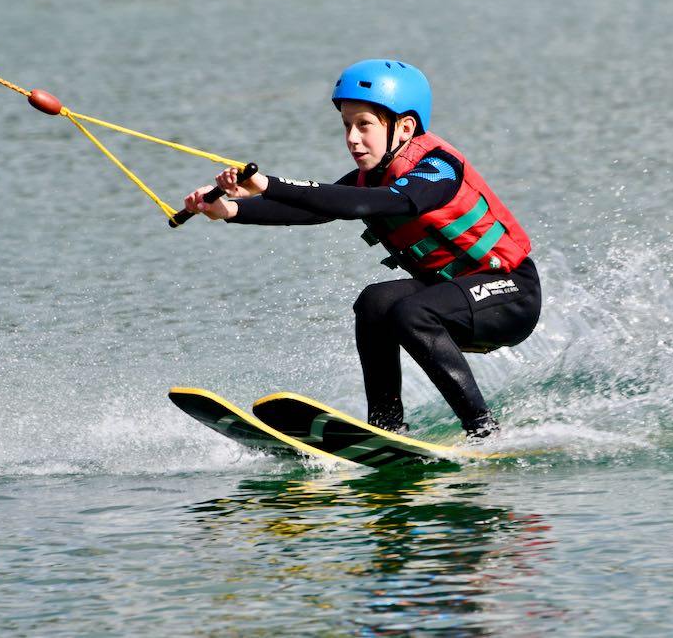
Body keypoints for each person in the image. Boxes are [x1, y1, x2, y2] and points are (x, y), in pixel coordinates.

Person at [183, 59, 541, 439]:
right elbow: (313, 209)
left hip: (511, 295)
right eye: (346, 126)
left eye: (364, 125)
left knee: (411, 313)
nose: (352, 138)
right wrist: (229, 209)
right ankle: (387, 425)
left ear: (404, 127)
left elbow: (369, 204)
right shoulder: (372, 175)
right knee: (375, 302)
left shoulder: (439, 168)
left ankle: (483, 431)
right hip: (451, 296)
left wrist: (269, 184)